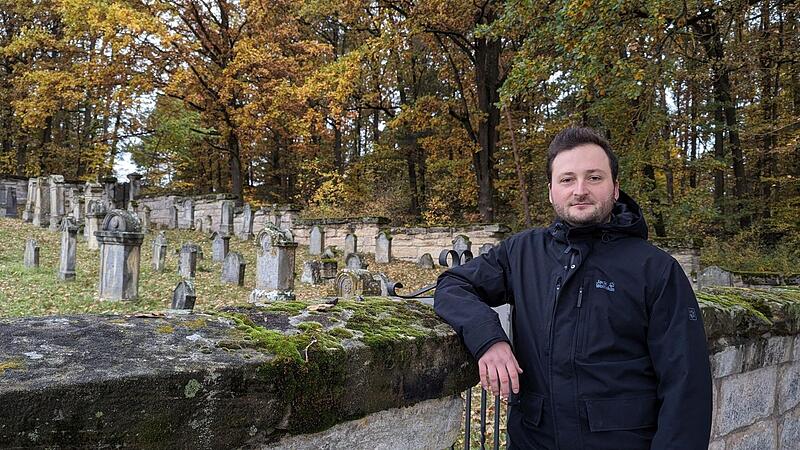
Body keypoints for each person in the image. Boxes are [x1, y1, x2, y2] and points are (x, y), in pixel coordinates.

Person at [434, 127, 712, 449]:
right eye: (567, 179)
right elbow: (453, 284)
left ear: (616, 188)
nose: (580, 190)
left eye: (594, 178)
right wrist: (489, 339)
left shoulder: (656, 270)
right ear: (551, 190)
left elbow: (686, 387)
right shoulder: (523, 253)